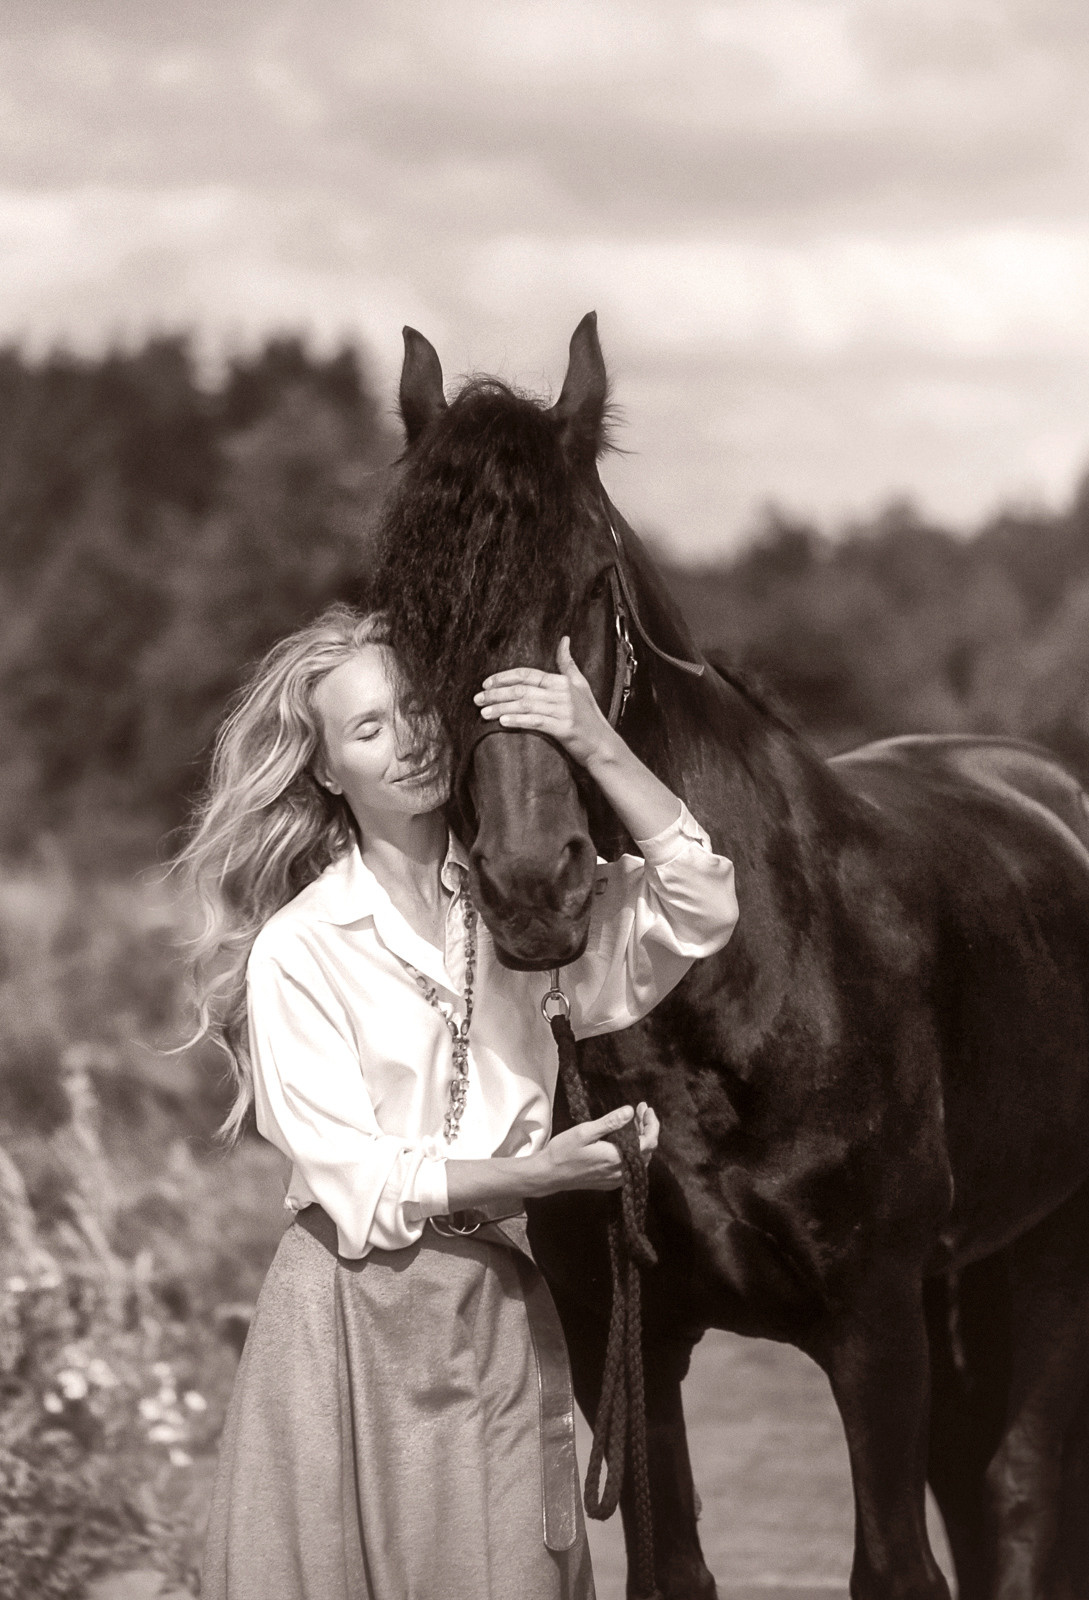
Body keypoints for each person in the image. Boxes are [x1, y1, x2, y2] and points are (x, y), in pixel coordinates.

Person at [174, 602, 739, 1600]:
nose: (409, 742)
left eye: (417, 709)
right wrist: (539, 1172)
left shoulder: (527, 917)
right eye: (368, 728)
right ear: (324, 768)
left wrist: (593, 740)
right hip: (352, 1310)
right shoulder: (301, 949)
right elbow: (354, 1176)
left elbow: (702, 901)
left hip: (501, 1299)